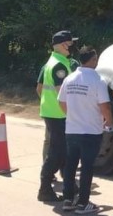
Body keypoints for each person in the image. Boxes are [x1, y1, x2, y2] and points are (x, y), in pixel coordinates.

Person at [58, 46, 113, 214]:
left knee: (70, 166)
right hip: (91, 131)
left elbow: (61, 102)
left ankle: (68, 200)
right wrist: (108, 123)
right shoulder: (98, 80)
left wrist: (73, 114)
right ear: (93, 60)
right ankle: (83, 203)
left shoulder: (70, 78)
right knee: (87, 167)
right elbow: (105, 106)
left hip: (72, 129)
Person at [37, 30, 76, 202]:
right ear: (62, 45)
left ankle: (69, 185)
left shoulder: (55, 61)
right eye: (69, 43)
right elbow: (63, 95)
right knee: (57, 153)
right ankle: (44, 188)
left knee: (65, 152)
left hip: (54, 113)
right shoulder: (59, 66)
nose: (71, 47)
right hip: (58, 114)